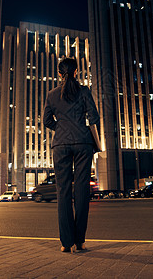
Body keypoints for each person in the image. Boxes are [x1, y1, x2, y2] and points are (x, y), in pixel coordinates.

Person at [43, 57, 100, 253]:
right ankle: (80, 241)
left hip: (60, 144)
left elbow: (46, 120)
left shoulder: (51, 94)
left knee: (63, 192)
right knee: (82, 192)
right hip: (83, 142)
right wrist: (81, 127)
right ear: (76, 72)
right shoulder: (83, 91)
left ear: (60, 74)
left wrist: (61, 128)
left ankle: (66, 243)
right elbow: (94, 116)